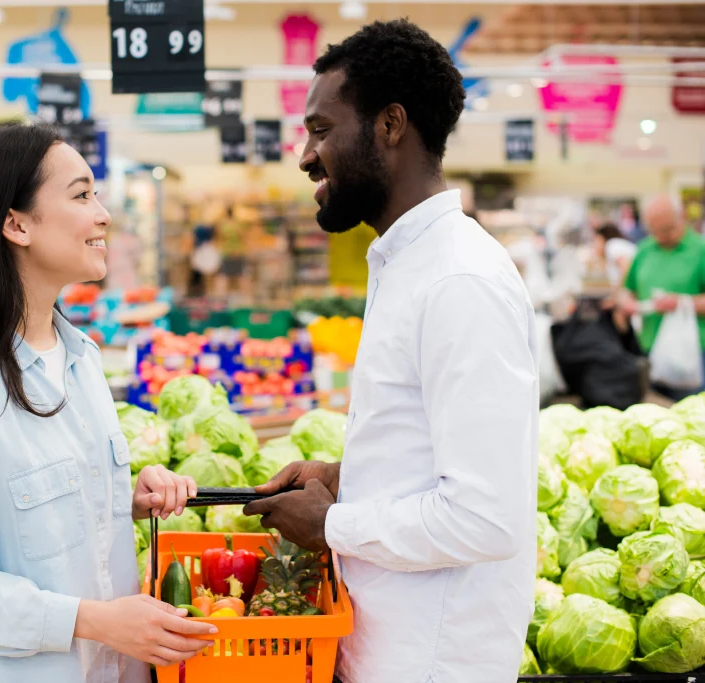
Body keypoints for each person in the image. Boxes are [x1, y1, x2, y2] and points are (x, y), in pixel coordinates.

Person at [243, 19, 538, 683]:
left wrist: (334, 523)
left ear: (390, 125)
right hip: (387, 645)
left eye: (321, 129)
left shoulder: (460, 279)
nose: (305, 156)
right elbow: (432, 454)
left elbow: (486, 518)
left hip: (432, 659)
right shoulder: (409, 263)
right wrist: (345, 475)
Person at [0, 124, 216, 683]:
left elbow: (35, 508)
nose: (103, 214)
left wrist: (122, 493)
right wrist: (96, 622)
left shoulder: (80, 358)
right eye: (81, 196)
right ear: (16, 223)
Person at [618, 195, 705, 399]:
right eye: (655, 231)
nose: (662, 236)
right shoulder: (645, 249)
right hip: (650, 350)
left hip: (691, 355)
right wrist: (628, 304)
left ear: (681, 217)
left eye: (667, 229)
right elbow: (626, 289)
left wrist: (682, 303)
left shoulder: (699, 250)